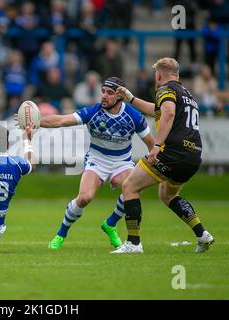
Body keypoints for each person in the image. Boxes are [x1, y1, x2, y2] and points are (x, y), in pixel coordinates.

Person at [40, 77, 155, 250]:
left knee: (133, 187)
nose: (104, 96)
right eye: (103, 92)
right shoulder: (93, 112)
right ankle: (61, 234)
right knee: (84, 198)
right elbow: (61, 121)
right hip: (97, 160)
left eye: (109, 93)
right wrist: (36, 123)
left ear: (120, 96)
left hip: (122, 162)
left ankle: (110, 223)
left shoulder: (134, 116)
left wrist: (154, 160)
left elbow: (152, 144)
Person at [113, 57, 214, 254]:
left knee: (129, 186)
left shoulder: (165, 90)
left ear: (159, 74)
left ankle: (133, 243)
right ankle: (202, 234)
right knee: (167, 194)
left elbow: (166, 113)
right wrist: (131, 99)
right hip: (193, 155)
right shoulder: (187, 95)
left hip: (172, 152)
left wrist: (157, 145)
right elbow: (157, 110)